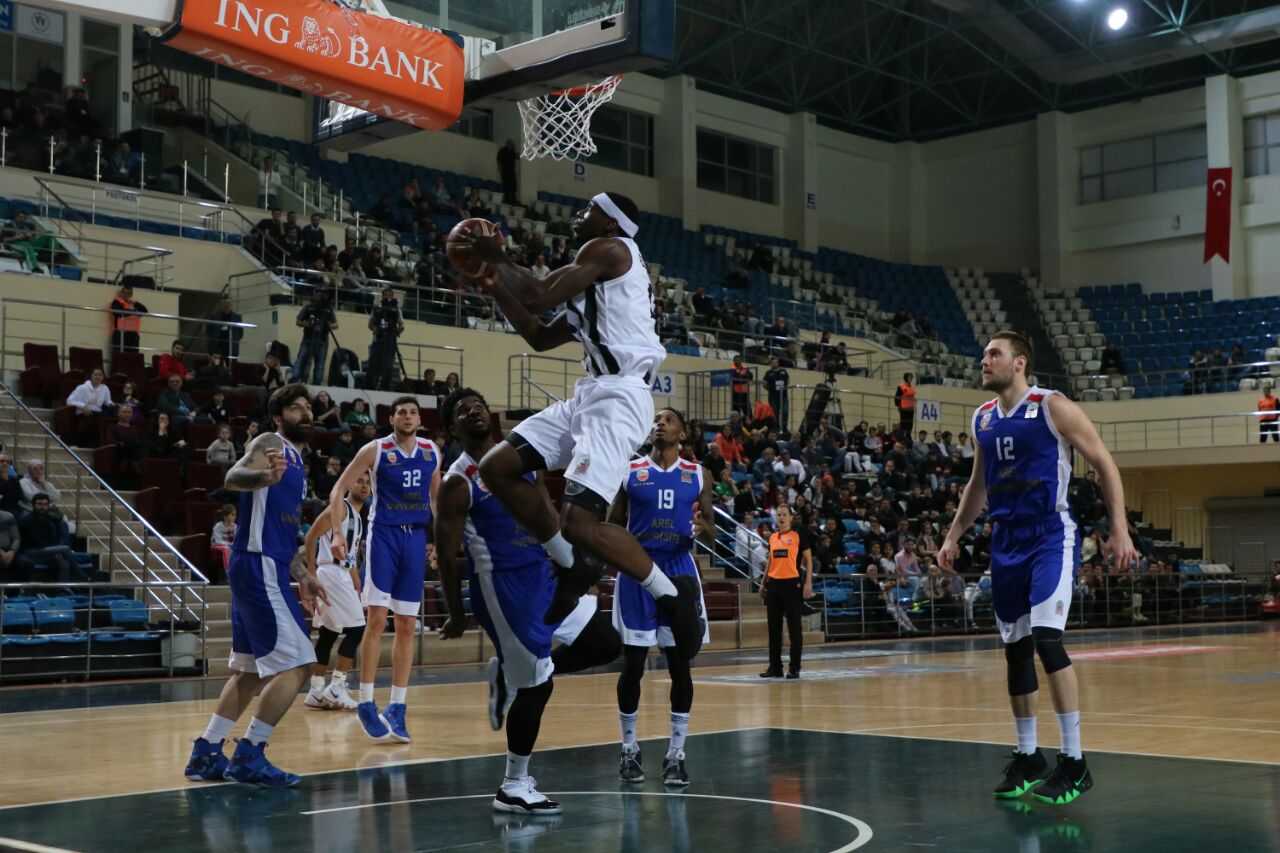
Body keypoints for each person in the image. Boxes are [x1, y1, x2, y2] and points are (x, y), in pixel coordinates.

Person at [461, 192, 705, 658]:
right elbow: (536, 335)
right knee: (497, 467)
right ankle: (571, 564)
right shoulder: (598, 289)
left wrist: (498, 256)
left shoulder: (609, 251)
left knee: (580, 521)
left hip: (619, 398)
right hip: (592, 393)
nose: (578, 215)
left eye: (588, 209)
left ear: (610, 224)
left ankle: (672, 596)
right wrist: (495, 284)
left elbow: (538, 293)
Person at [939, 331, 1135, 806]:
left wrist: (1120, 528)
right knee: (1016, 649)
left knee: (1048, 640)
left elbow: (1104, 463)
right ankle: (1029, 756)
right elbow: (978, 485)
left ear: (1020, 363)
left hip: (1050, 535)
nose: (983, 360)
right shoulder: (982, 416)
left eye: (993, 354)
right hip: (1005, 542)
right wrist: (953, 534)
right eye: (983, 353)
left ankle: (1075, 762)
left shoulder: (1053, 406)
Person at [435, 387, 621, 816]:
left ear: (491, 414)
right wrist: (457, 613)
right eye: (462, 411)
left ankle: (507, 674)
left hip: (541, 572)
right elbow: (446, 554)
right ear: (453, 429)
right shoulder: (457, 481)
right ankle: (512, 785)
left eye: (478, 404)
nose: (473, 411)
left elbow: (544, 513)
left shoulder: (521, 460)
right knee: (539, 686)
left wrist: (566, 563)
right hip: (503, 589)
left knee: (604, 642)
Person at [184, 384, 325, 788]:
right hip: (259, 566)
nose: (305, 412)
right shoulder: (270, 442)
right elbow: (233, 474)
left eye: (308, 407)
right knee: (298, 665)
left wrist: (304, 575)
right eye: (296, 408)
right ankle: (249, 754)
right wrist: (263, 474)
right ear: (279, 417)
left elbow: (279, 531)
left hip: (266, 565)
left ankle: (207, 752)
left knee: (248, 672)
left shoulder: (300, 462)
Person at [608, 407, 714, 787]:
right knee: (633, 666)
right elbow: (611, 525)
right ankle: (629, 748)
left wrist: (703, 530)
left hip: (679, 571)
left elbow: (711, 533)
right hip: (638, 570)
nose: (659, 424)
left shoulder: (699, 474)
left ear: (682, 432)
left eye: (667, 420)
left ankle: (676, 754)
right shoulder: (631, 471)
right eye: (656, 421)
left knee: (679, 666)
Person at [327, 396, 441, 744]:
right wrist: (336, 532)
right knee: (376, 620)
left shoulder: (431, 451)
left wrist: (438, 541)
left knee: (407, 623)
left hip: (415, 539)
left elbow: (436, 501)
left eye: (413, 412)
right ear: (391, 418)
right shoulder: (375, 449)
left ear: (420, 419)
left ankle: (397, 706)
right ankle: (365, 700)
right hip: (384, 538)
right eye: (401, 412)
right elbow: (338, 490)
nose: (407, 416)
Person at [302, 471, 370, 712]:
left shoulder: (358, 517)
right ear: (349, 484)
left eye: (368, 483)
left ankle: (316, 691)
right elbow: (310, 537)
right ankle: (336, 687)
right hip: (330, 573)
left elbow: (349, 558)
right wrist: (310, 575)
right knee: (357, 630)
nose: (364, 486)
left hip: (339, 573)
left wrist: (355, 579)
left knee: (329, 634)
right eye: (359, 481)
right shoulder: (340, 507)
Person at [760, 503, 813, 679]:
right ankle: (775, 667)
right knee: (773, 629)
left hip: (792, 585)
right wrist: (763, 582)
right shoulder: (773, 537)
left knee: (794, 629)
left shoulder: (798, 536)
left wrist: (808, 583)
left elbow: (808, 560)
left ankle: (794, 667)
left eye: (784, 514)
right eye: (779, 514)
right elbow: (770, 561)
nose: (781, 517)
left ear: (791, 517)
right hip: (774, 585)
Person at [18, 493, 84, 583]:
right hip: (30, 551)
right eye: (39, 504)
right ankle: (83, 577)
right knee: (65, 549)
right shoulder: (26, 520)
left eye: (45, 504)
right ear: (34, 505)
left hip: (46, 551)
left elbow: (52, 539)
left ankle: (63, 589)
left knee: (64, 563)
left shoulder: (49, 520)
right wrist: (55, 551)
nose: (42, 507)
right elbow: (36, 542)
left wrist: (55, 551)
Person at [295, 293, 338, 386]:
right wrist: (307, 324)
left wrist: (329, 325)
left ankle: (317, 384)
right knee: (301, 360)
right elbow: (298, 321)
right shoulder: (309, 308)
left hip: (322, 341)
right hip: (308, 339)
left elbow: (336, 325)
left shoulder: (328, 310)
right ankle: (296, 381)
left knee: (320, 365)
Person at [367, 286, 404, 391]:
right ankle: (370, 387)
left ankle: (384, 388)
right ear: (382, 296)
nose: (387, 297)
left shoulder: (397, 310)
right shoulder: (376, 309)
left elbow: (401, 326)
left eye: (389, 295)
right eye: (385, 295)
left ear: (392, 297)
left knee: (388, 366)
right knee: (374, 365)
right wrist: (374, 329)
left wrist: (396, 332)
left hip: (390, 342)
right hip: (377, 341)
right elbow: (370, 324)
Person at [109, 283, 147, 353]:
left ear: (131, 295)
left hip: (133, 336)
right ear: (121, 293)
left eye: (129, 293)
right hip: (120, 334)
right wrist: (134, 311)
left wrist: (136, 303)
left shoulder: (134, 304)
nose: (126, 295)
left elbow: (145, 311)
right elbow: (119, 312)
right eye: (125, 292)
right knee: (119, 357)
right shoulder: (117, 302)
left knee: (133, 358)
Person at [763, 356, 789, 433]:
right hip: (773, 397)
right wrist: (770, 389)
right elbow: (764, 384)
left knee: (785, 412)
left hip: (783, 396)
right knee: (775, 413)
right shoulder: (768, 373)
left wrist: (785, 387)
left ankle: (784, 428)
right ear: (770, 364)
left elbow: (787, 380)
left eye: (776, 362)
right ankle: (776, 428)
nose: (775, 364)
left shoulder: (783, 371)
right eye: (773, 362)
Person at [729, 355, 751, 419]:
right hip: (736, 393)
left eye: (738, 360)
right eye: (735, 360)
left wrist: (741, 378)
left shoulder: (745, 367)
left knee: (748, 411)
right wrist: (744, 379)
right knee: (736, 412)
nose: (737, 362)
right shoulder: (732, 368)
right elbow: (735, 379)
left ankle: (748, 425)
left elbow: (750, 376)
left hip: (744, 393)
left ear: (741, 360)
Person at [497, 138, 519, 204]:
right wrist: (499, 167)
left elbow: (518, 157)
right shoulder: (502, 150)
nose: (510, 144)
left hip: (512, 172)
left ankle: (513, 199)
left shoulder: (512, 151)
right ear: (507, 144)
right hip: (505, 172)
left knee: (514, 186)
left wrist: (515, 149)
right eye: (510, 143)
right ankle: (507, 199)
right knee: (506, 186)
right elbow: (498, 159)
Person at [895, 372, 916, 437]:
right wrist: (898, 406)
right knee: (904, 424)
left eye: (911, 377)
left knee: (910, 424)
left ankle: (908, 436)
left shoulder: (912, 388)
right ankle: (902, 437)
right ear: (905, 378)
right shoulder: (901, 386)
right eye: (909, 377)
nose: (910, 379)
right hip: (903, 408)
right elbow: (897, 397)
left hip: (911, 409)